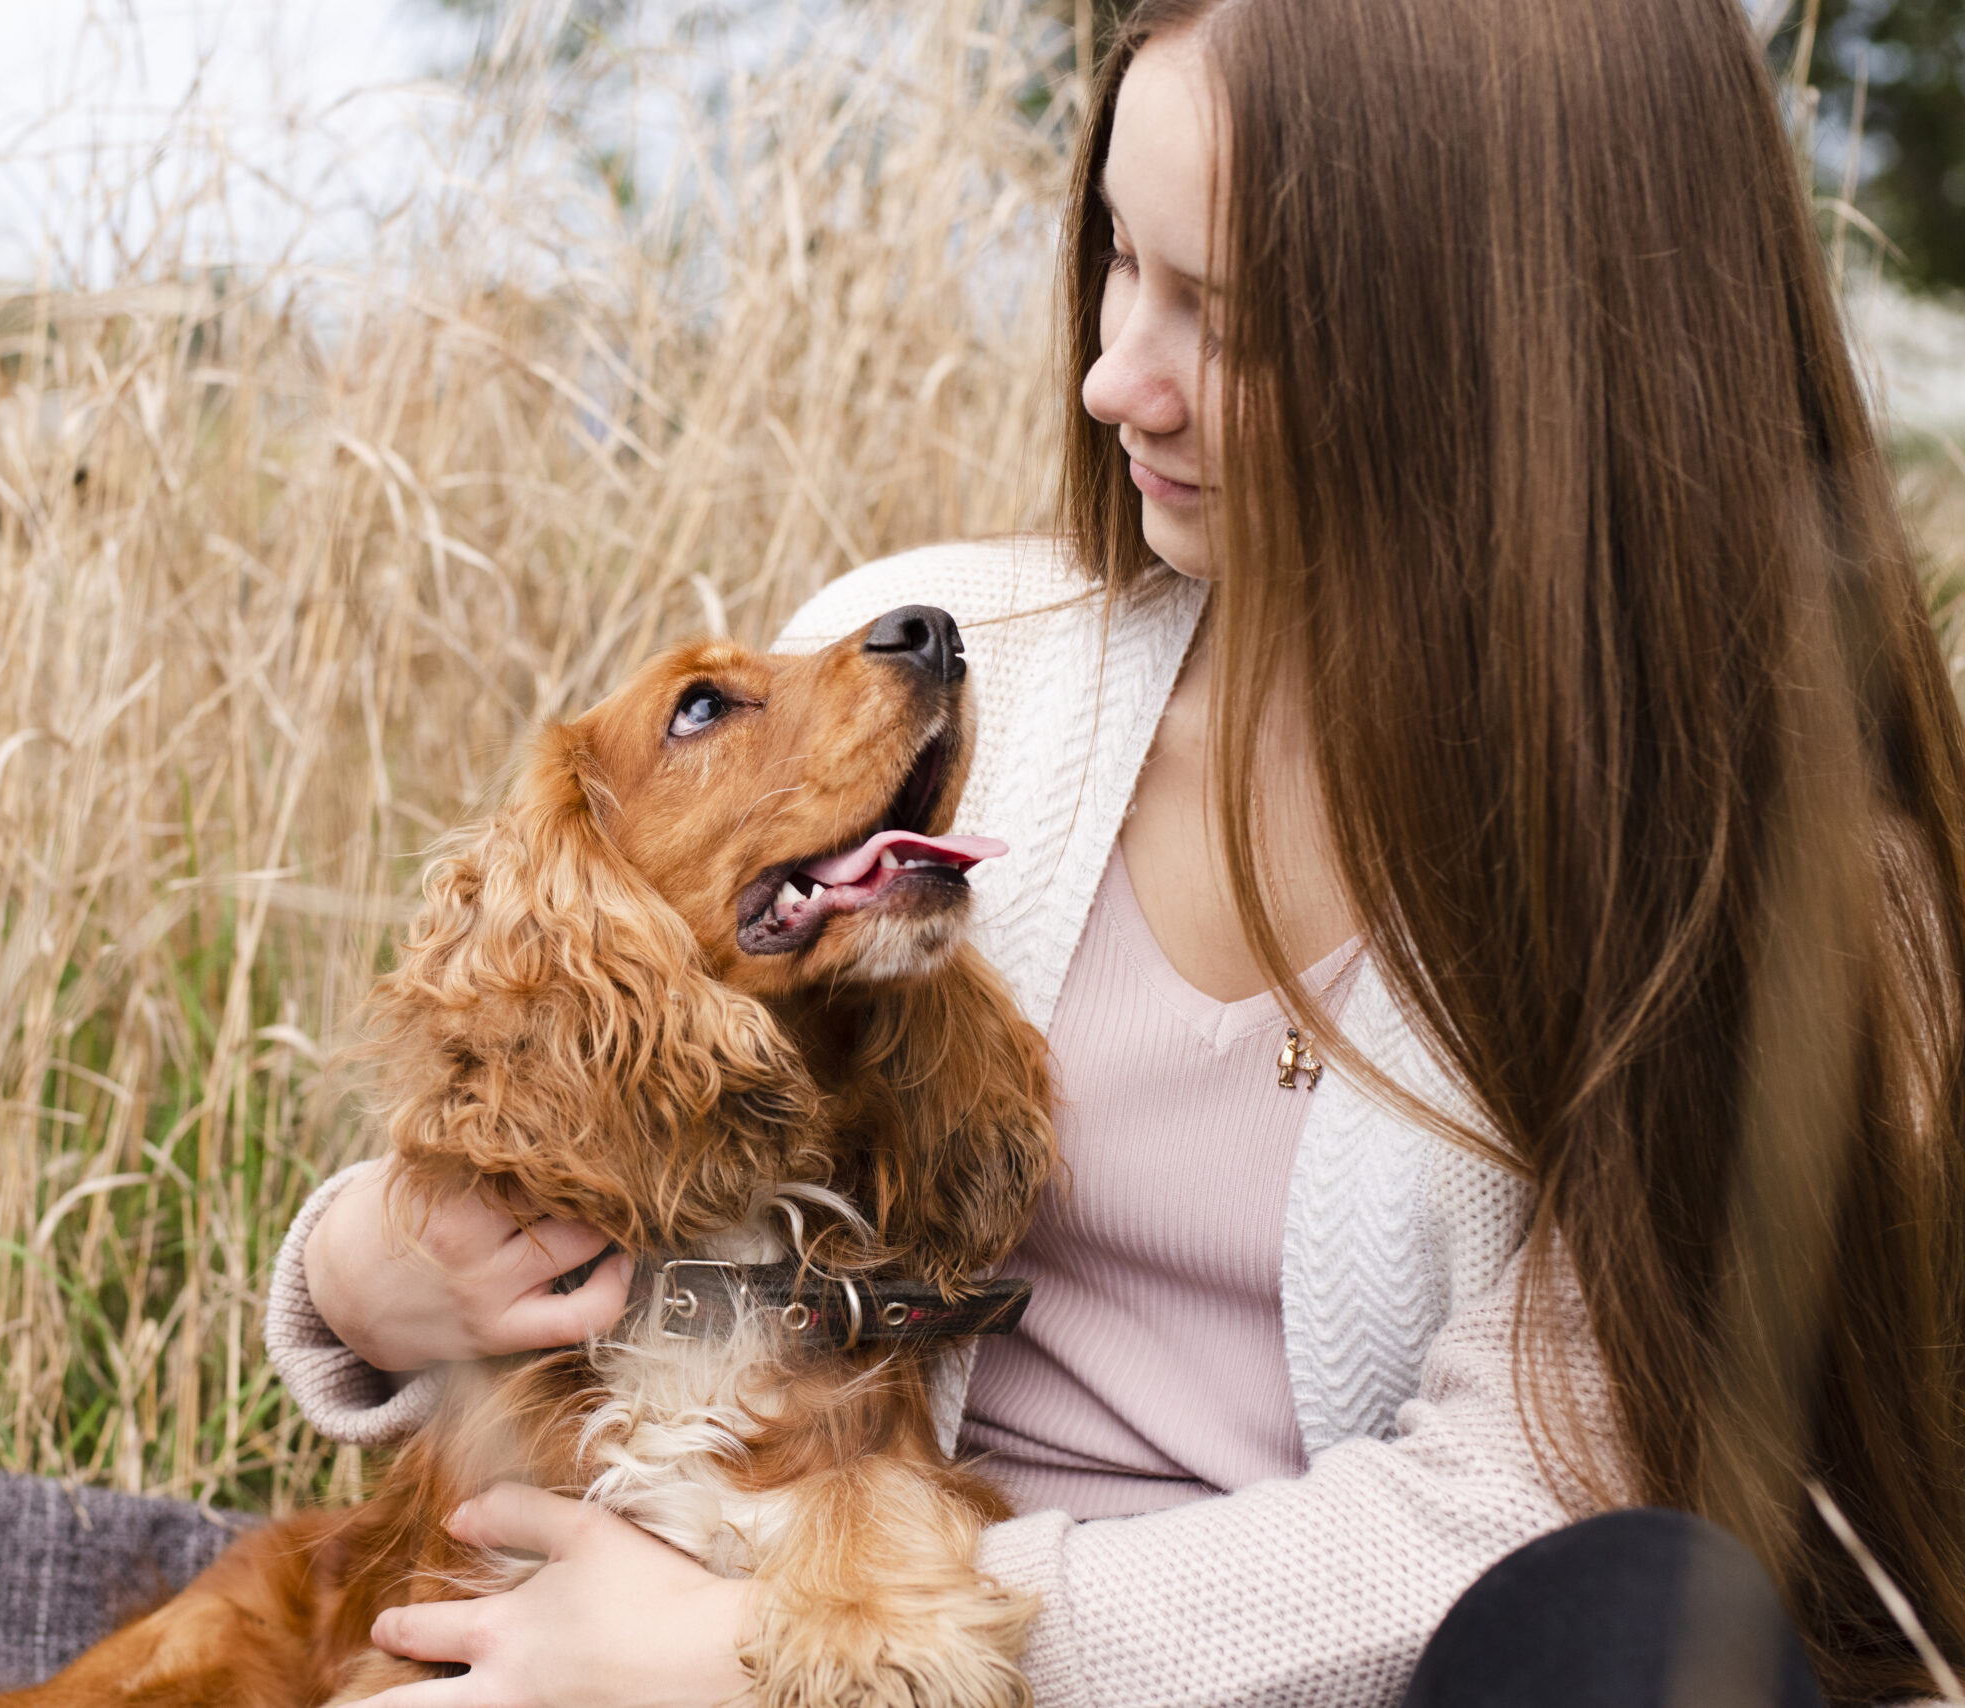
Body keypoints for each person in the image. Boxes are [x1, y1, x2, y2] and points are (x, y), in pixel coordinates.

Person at [263, 0, 1965, 1701]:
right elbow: (663, 1139)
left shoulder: (1783, 887)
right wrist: (365, 1269)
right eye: (1118, 261)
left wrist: (807, 1642)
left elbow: (1520, 1511)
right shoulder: (927, 667)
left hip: (1027, 1643)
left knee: (1646, 1620)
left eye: (1223, 316)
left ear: (1509, 343)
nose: (1110, 377)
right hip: (753, 1589)